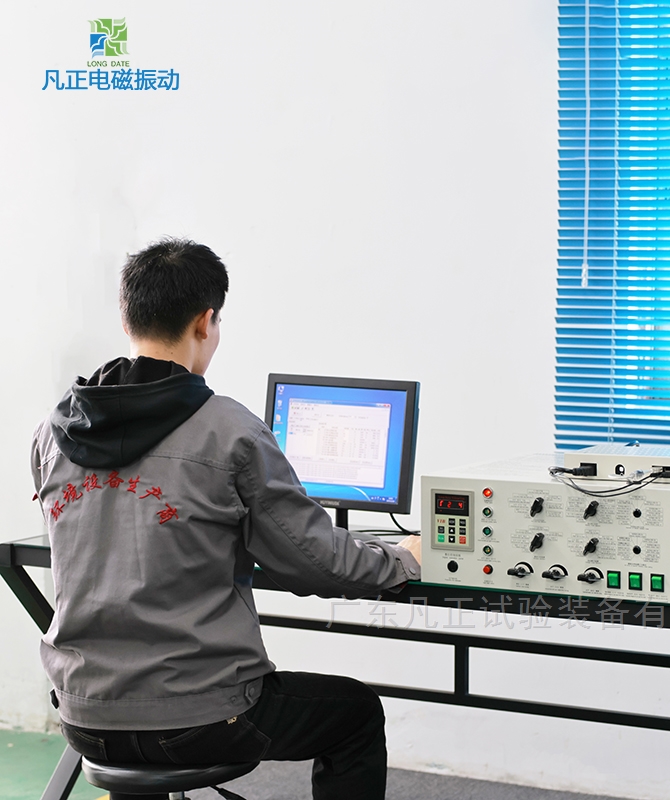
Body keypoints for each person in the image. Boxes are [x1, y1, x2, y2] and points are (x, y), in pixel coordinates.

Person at [31, 237, 422, 800]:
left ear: (126, 318)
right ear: (205, 321)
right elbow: (313, 562)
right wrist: (400, 561)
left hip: (83, 715)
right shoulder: (229, 431)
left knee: (138, 719)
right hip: (199, 718)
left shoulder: (54, 432)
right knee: (355, 713)